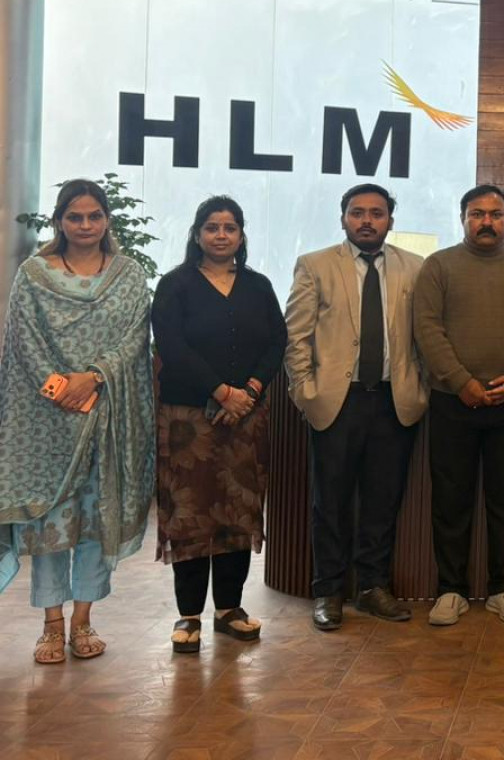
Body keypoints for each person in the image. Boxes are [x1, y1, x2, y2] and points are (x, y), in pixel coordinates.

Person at [0, 178, 154, 664]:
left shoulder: (129, 275)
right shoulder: (34, 274)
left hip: (109, 412)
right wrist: (62, 388)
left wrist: (93, 377)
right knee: (52, 520)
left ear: (106, 220)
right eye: (75, 217)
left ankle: (84, 619)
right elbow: (23, 339)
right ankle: (51, 624)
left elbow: (135, 337)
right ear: (59, 221)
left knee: (94, 519)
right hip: (47, 417)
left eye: (94, 216)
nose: (85, 225)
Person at [284, 182, 428, 632]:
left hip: (392, 400)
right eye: (358, 212)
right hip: (336, 401)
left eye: (376, 213)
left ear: (390, 220)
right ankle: (328, 591)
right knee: (330, 502)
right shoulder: (315, 265)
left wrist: (420, 388)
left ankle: (372, 587)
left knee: (383, 501)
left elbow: (426, 335)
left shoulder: (415, 267)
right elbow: (296, 335)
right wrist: (305, 391)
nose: (367, 221)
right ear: (343, 218)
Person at [152, 195, 286, 653]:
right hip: (187, 419)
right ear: (197, 234)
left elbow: (277, 342)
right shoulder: (175, 285)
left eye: (230, 227)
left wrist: (248, 390)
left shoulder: (258, 286)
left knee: (237, 511)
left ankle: (230, 609)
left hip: (245, 416)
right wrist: (220, 390)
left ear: (242, 235)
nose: (221, 235)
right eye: (212, 227)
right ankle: (188, 615)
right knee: (190, 513)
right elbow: (171, 345)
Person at [413, 184, 504, 627]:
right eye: (477, 214)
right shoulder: (438, 266)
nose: (486, 222)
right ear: (463, 218)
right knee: (451, 500)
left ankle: (503, 588)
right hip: (453, 402)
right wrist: (462, 382)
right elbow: (428, 329)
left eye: (495, 214)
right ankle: (450, 589)